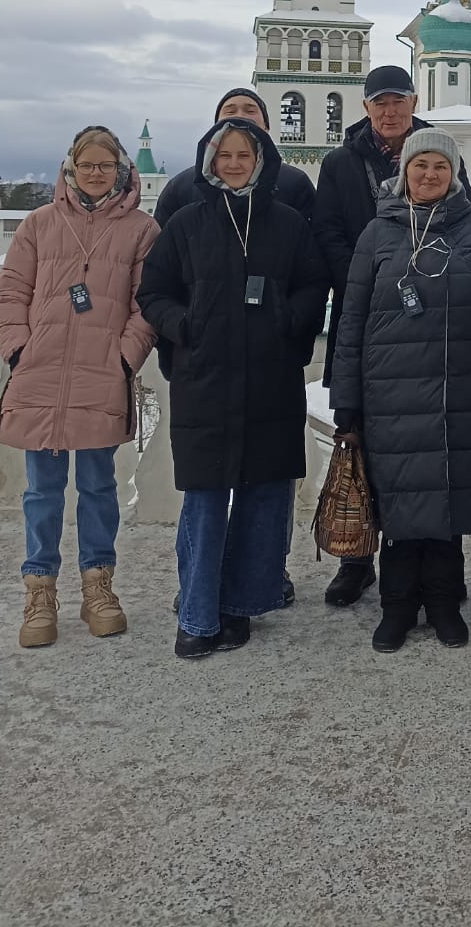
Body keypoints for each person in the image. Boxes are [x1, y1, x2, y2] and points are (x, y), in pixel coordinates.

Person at [138, 118, 329, 659]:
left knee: (261, 496)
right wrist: (185, 327)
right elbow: (153, 292)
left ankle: (242, 604)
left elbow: (313, 284)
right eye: (225, 156)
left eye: (244, 155)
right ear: (210, 162)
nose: (235, 164)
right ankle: (198, 614)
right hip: (206, 380)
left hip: (270, 379)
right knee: (204, 499)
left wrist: (286, 324)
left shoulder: (286, 223)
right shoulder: (187, 223)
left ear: (261, 159)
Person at [329, 129, 471, 653]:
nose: (430, 174)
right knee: (399, 501)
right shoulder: (378, 233)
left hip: (458, 387)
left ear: (453, 175)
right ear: (405, 173)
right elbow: (352, 317)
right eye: (420, 165)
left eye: (440, 166)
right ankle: (397, 605)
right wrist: (347, 397)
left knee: (448, 499)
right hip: (390, 392)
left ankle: (442, 602)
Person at [313, 64, 471, 609]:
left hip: (434, 318)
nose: (389, 111)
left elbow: (460, 217)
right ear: (366, 108)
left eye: (398, 100)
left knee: (429, 447)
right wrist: (368, 278)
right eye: (379, 102)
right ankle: (356, 557)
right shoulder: (340, 163)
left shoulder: (440, 151)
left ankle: (439, 570)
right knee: (359, 438)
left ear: (413, 103)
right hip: (366, 313)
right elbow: (327, 231)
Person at [0, 127, 158, 648]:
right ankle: (39, 591)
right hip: (40, 374)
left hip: (100, 375)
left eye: (105, 165)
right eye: (87, 165)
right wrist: (19, 350)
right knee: (41, 491)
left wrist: (123, 358)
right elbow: (11, 291)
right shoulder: (41, 223)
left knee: (98, 486)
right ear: (71, 168)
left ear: (121, 170)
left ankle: (97, 587)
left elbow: (147, 304)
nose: (95, 174)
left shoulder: (141, 230)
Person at [155, 87, 315, 227]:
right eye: (230, 111)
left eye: (250, 111)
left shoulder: (295, 184)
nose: (240, 116)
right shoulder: (181, 189)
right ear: (216, 129)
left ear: (266, 128)